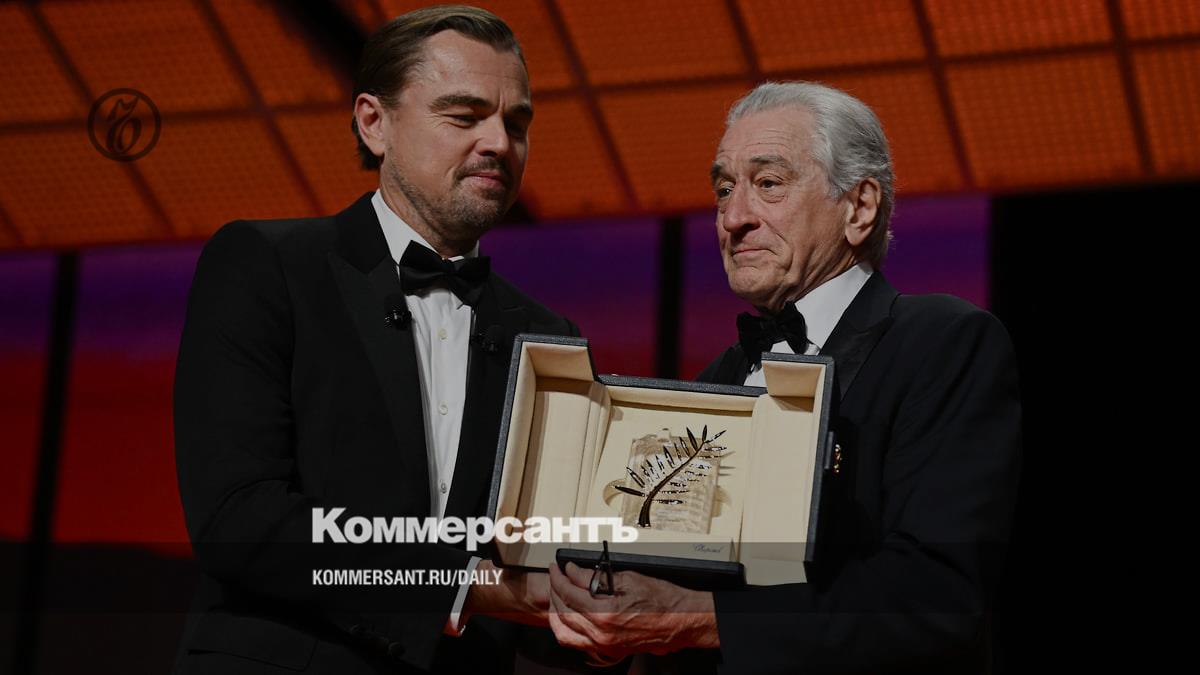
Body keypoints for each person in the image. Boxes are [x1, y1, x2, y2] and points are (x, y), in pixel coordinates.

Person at [546, 81, 1022, 674]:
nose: (733, 218)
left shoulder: (942, 342)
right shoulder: (713, 380)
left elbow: (935, 597)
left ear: (860, 207)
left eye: (768, 183)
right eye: (724, 189)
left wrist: (703, 619)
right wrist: (600, 619)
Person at [173, 6, 577, 673]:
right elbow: (239, 518)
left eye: (517, 123)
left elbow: (541, 570)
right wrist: (462, 585)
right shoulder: (265, 265)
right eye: (464, 116)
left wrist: (606, 618)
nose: (499, 143)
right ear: (374, 122)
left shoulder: (550, 337)